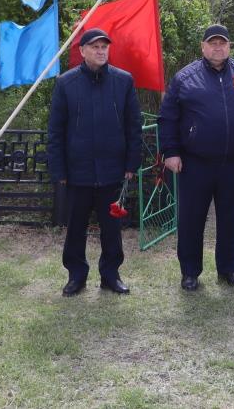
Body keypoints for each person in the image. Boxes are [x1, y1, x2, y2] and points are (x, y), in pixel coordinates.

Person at [158, 23, 234, 291]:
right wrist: (171, 152)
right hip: (195, 163)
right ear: (203, 46)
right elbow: (168, 118)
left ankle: (229, 269)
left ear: (229, 46)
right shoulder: (185, 78)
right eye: (213, 43)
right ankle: (190, 272)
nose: (218, 47)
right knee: (191, 219)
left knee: (231, 219)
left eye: (222, 43)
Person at [48, 28, 143, 297]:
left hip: (113, 171)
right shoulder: (65, 83)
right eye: (95, 47)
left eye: (104, 47)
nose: (101, 51)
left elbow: (133, 126)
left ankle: (110, 275)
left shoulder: (123, 81)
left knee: (111, 229)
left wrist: (131, 165)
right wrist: (59, 170)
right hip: (77, 172)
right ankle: (76, 276)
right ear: (82, 51)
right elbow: (55, 131)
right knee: (75, 228)